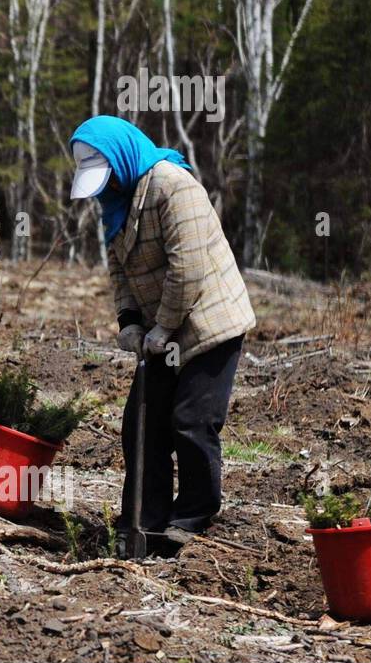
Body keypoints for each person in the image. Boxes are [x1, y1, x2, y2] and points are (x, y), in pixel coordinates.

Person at [70, 115, 255, 552]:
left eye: (107, 174)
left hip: (210, 323)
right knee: (142, 422)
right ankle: (143, 520)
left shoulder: (174, 186)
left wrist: (165, 327)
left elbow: (187, 268)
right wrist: (129, 321)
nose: (105, 186)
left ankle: (192, 516)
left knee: (192, 421)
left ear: (121, 157)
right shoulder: (113, 201)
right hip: (160, 329)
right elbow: (118, 269)